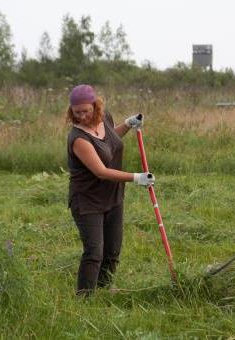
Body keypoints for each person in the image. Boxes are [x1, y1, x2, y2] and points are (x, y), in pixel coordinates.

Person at [66, 84, 154, 296]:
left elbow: (109, 142)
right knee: (94, 252)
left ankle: (105, 289)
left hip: (112, 196)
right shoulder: (78, 138)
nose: (82, 116)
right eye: (77, 112)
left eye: (86, 111)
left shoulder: (105, 118)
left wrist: (128, 124)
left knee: (113, 250)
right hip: (87, 200)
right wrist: (136, 178)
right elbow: (101, 171)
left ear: (95, 106)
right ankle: (85, 298)